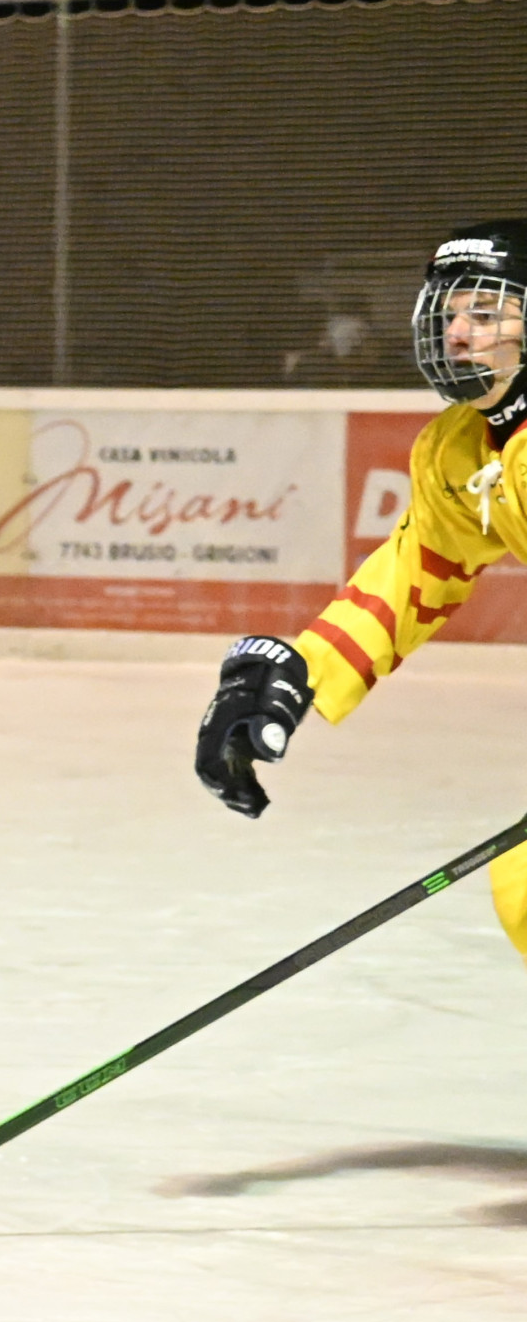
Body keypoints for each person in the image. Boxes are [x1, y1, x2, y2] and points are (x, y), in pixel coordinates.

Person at [197, 223, 527, 983]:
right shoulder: (458, 448)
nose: (458, 333)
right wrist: (298, 674)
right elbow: (415, 576)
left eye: (486, 313)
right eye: (450, 312)